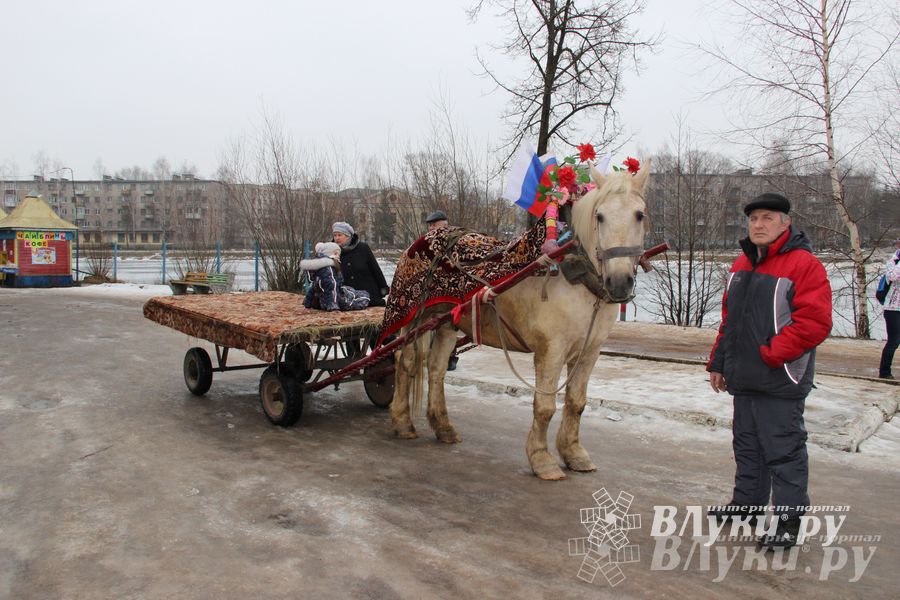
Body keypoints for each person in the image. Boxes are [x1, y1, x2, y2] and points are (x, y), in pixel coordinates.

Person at [706, 193, 832, 549]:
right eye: (754, 219)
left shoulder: (804, 265)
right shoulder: (741, 266)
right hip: (743, 377)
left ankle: (788, 524)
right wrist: (719, 363)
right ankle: (746, 506)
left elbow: (815, 323)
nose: (759, 224)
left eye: (767, 218)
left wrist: (772, 355)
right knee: (747, 445)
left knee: (784, 450)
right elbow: (729, 322)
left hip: (780, 377)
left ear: (785, 223)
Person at [423, 210, 460, 370]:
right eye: (429, 225)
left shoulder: (453, 240)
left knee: (449, 325)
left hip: (450, 289)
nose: (431, 228)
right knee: (432, 325)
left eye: (434, 224)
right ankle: (432, 354)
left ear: (444, 224)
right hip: (432, 289)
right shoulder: (427, 242)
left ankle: (450, 357)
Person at [331, 222, 389, 307]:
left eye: (340, 235)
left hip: (370, 296)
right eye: (335, 235)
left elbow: (375, 269)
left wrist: (383, 288)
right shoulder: (332, 253)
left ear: (348, 236)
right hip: (347, 298)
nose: (337, 238)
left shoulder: (363, 248)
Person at [301, 242, 370, 311]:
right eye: (336, 254)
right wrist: (333, 307)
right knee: (365, 296)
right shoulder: (328, 270)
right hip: (338, 301)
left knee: (351, 291)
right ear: (329, 254)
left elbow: (313, 287)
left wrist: (307, 304)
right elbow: (332, 286)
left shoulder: (320, 272)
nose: (338, 256)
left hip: (326, 300)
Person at [878, 237, 900, 379]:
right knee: (894, 340)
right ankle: (885, 372)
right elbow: (893, 276)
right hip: (893, 309)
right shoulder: (892, 262)